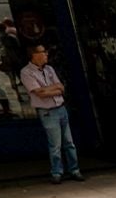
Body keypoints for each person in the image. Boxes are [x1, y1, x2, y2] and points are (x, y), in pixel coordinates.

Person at [19, 43, 84, 184]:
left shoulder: (49, 69)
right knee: (55, 144)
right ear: (34, 55)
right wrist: (51, 89)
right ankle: (57, 172)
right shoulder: (26, 72)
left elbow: (61, 88)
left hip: (60, 107)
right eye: (43, 52)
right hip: (47, 111)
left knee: (69, 142)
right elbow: (38, 93)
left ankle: (74, 169)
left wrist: (49, 89)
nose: (46, 54)